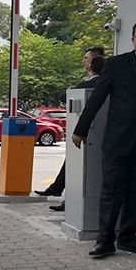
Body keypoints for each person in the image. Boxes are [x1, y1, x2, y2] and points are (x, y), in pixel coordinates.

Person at [72, 16, 136, 258]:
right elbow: (98, 97)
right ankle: (104, 241)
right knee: (111, 191)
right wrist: (81, 128)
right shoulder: (117, 65)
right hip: (118, 140)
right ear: (132, 39)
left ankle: (128, 237)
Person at [35, 49, 107, 211]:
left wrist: (71, 90)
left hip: (89, 136)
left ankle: (67, 198)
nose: (84, 61)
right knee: (73, 164)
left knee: (80, 168)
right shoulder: (105, 82)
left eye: (86, 58)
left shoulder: (92, 84)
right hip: (99, 136)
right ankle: (59, 191)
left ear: (93, 62)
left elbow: (64, 98)